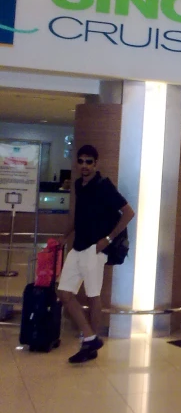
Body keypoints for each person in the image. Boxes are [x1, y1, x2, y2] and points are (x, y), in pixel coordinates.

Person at [58, 145, 134, 364]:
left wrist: (107, 240)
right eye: (81, 161)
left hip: (95, 250)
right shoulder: (78, 185)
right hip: (78, 247)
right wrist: (65, 236)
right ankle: (91, 337)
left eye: (88, 161)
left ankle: (90, 342)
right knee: (64, 293)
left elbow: (128, 213)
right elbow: (77, 215)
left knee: (93, 296)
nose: (84, 165)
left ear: (95, 164)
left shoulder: (104, 186)